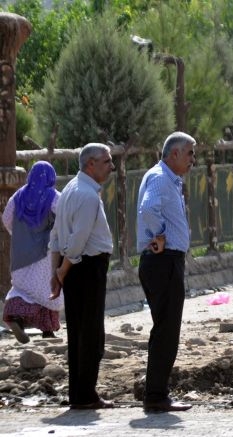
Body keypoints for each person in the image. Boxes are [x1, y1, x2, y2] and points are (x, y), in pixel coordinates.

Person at [50, 143, 115, 409]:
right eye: (107, 161)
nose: (111, 166)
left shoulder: (69, 190)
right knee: (90, 334)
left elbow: (55, 235)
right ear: (91, 164)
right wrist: (62, 270)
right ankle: (86, 394)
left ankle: (78, 393)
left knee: (78, 331)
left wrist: (57, 273)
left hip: (74, 268)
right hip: (86, 267)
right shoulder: (87, 195)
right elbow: (77, 240)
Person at [136, 132, 197, 412]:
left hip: (166, 261)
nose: (193, 160)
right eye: (190, 153)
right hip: (163, 262)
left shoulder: (168, 179)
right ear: (174, 154)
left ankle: (157, 392)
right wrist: (159, 235)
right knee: (166, 330)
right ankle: (156, 395)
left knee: (165, 328)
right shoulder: (161, 178)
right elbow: (148, 209)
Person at [2, 161, 63, 343]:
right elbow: (64, 215)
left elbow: (6, 218)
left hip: (21, 254)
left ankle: (17, 319)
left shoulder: (18, 196)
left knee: (22, 288)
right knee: (48, 289)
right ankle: (47, 330)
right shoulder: (53, 196)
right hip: (45, 252)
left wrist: (19, 235)